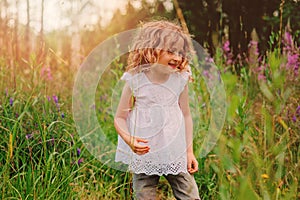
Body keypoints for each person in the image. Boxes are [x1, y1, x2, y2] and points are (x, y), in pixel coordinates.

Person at [114, 20, 200, 200]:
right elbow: (120, 117)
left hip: (175, 150)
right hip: (145, 153)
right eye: (170, 51)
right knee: (144, 195)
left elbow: (186, 114)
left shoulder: (180, 78)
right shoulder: (135, 80)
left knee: (189, 195)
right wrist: (130, 140)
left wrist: (189, 151)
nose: (177, 58)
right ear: (150, 50)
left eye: (180, 52)